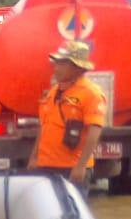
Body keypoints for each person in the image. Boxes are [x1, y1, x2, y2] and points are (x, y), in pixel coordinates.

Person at [27, 40, 107, 197]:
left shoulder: (91, 93)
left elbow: (94, 131)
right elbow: (44, 127)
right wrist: (34, 157)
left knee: (72, 216)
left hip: (71, 168)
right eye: (56, 63)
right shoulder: (53, 92)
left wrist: (81, 166)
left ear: (78, 67)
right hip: (45, 167)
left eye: (63, 64)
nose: (56, 68)